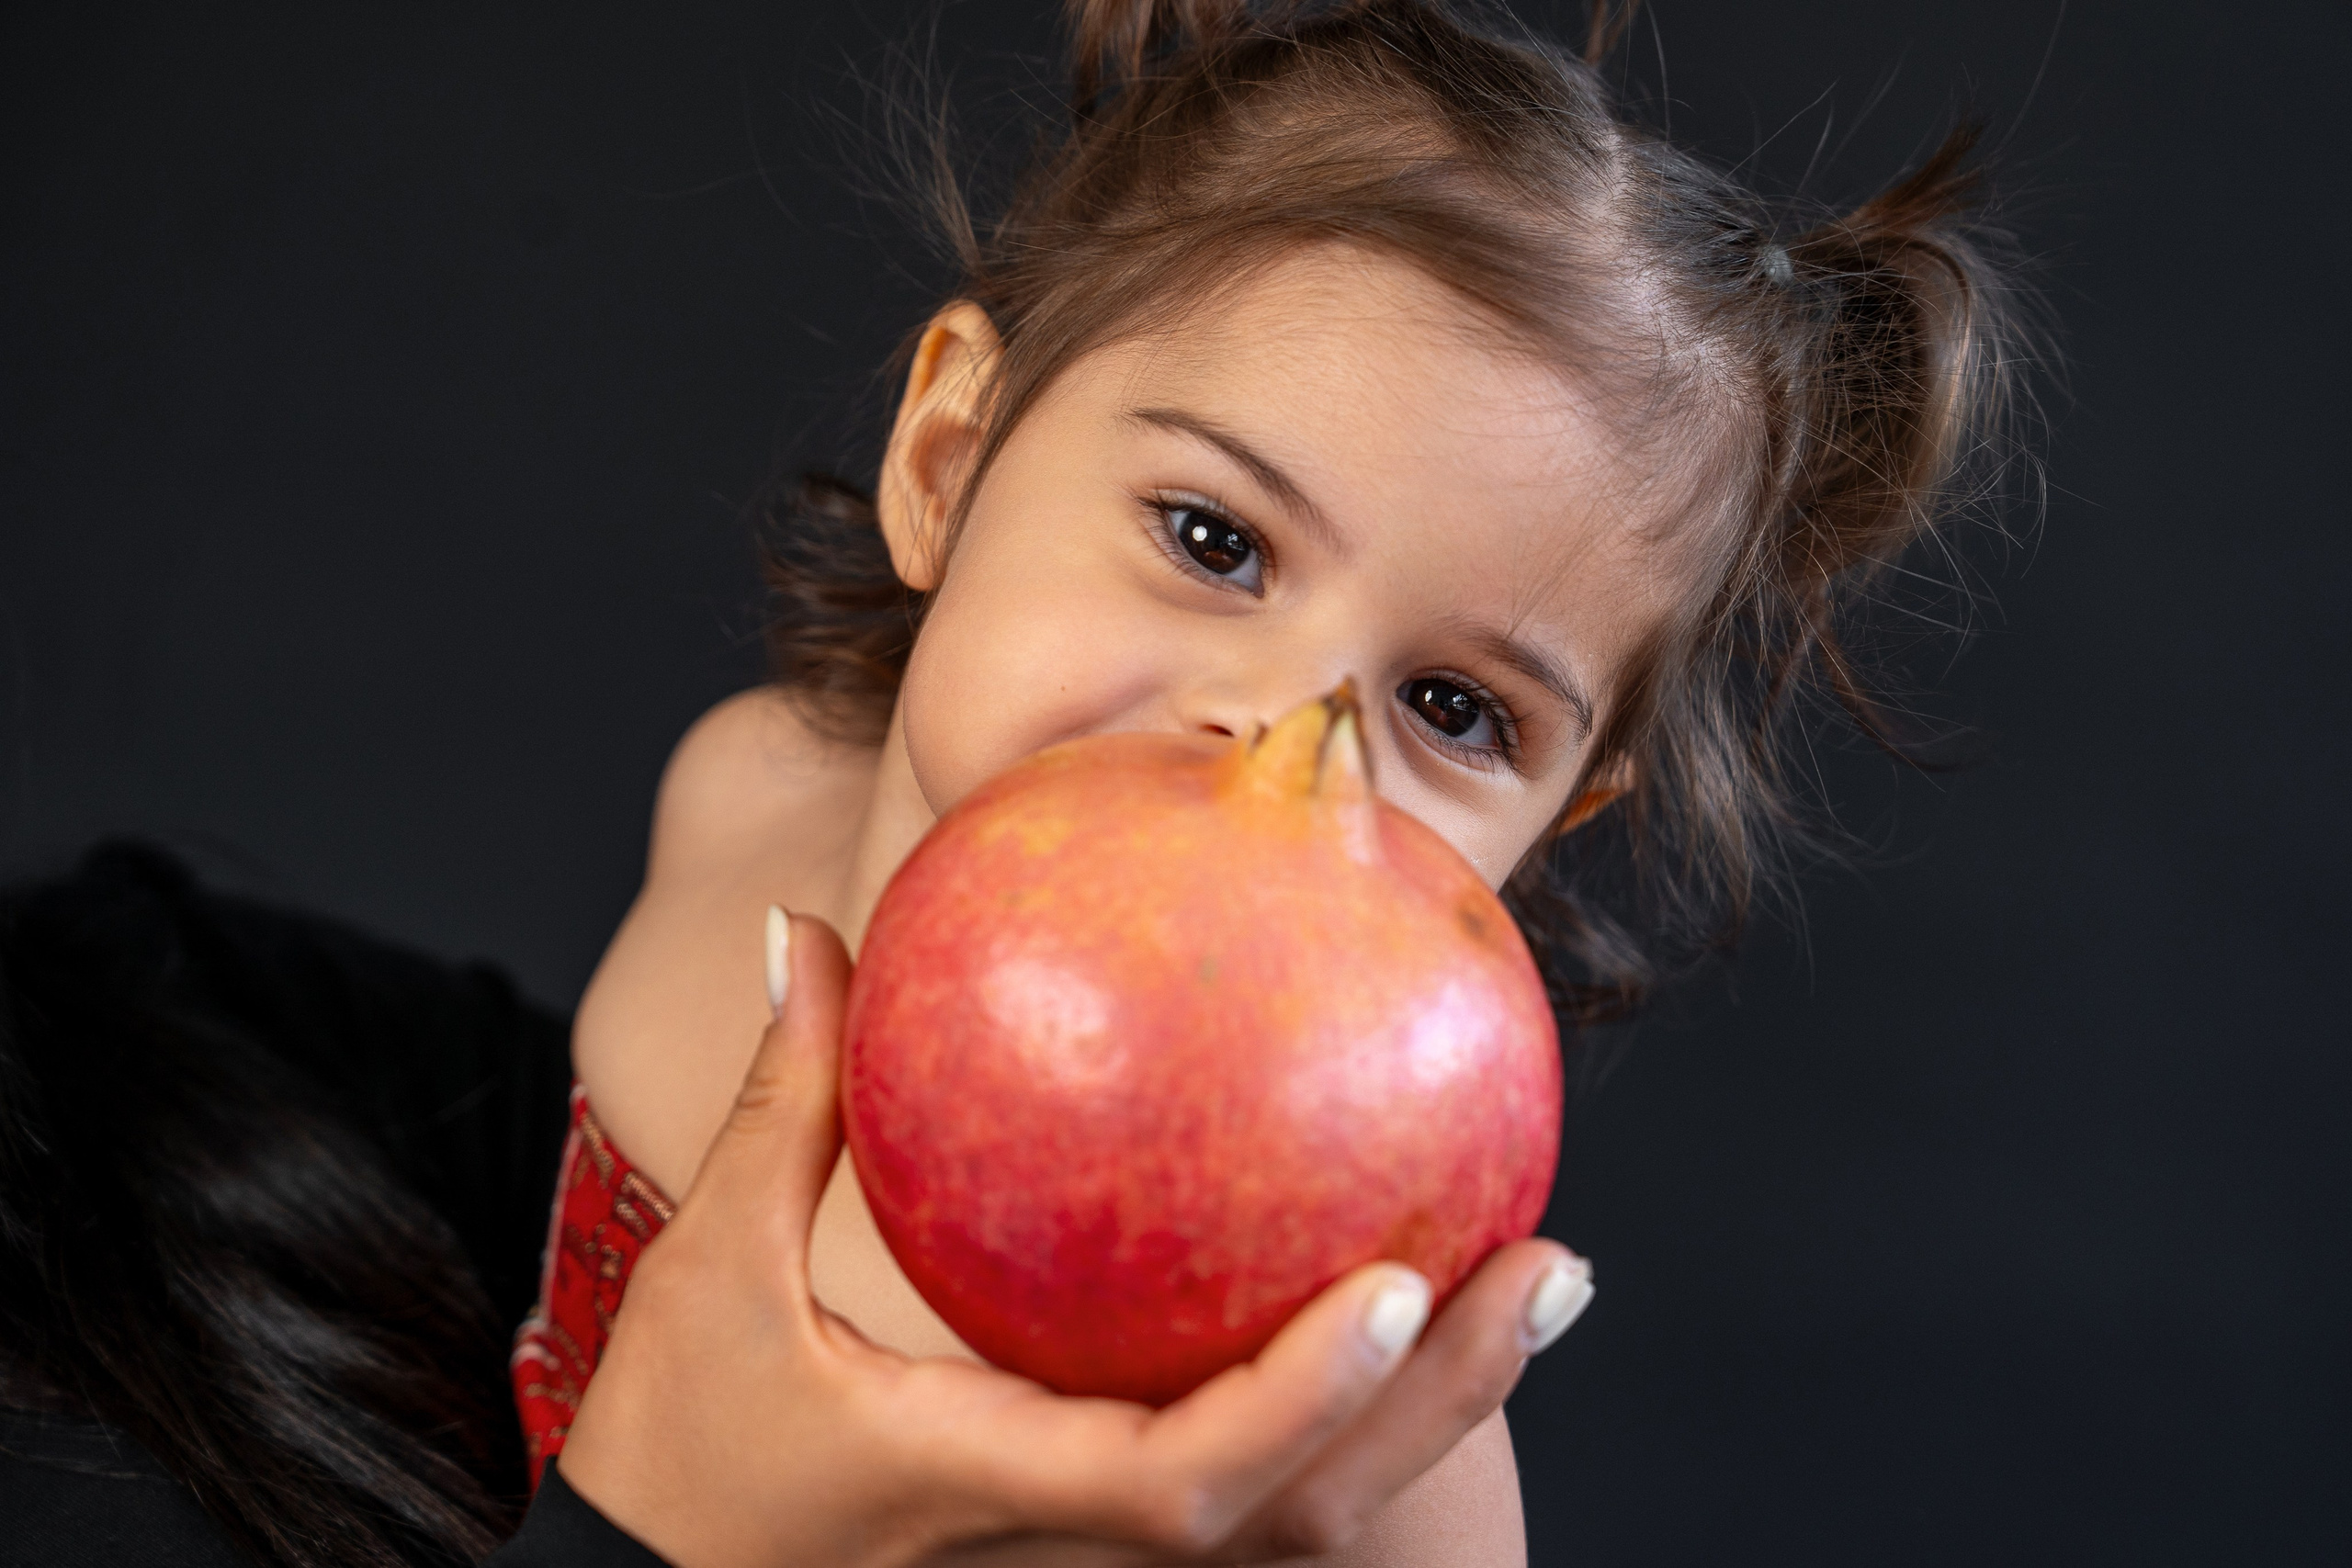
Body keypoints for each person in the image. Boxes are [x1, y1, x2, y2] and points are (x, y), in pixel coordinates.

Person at [529, 0, 2020, 1562]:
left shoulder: (1341, 1421)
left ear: (1559, 816)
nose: (1287, 736)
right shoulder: (742, 789)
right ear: (946, 462)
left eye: (1454, 707)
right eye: (1216, 541)